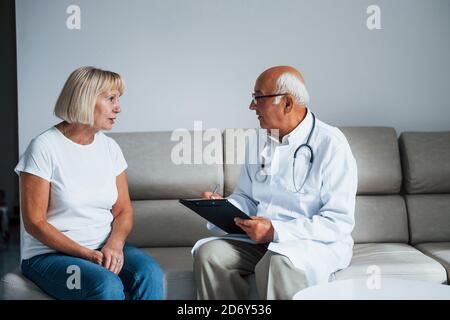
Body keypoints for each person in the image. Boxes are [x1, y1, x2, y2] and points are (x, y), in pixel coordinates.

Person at [193, 66, 358, 300]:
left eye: (258, 97)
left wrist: (275, 231)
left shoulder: (331, 144)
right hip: (260, 240)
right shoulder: (258, 140)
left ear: (287, 103)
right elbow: (247, 198)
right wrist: (223, 208)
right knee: (210, 254)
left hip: (312, 243)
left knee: (277, 262)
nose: (252, 106)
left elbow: (337, 222)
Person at [15, 66, 164, 300]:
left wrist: (114, 245)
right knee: (107, 285)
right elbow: (35, 222)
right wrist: (85, 254)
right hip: (50, 255)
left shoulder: (110, 148)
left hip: (101, 246)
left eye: (118, 99)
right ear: (85, 99)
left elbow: (123, 210)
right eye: (111, 99)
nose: (118, 107)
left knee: (150, 273)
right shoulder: (43, 148)